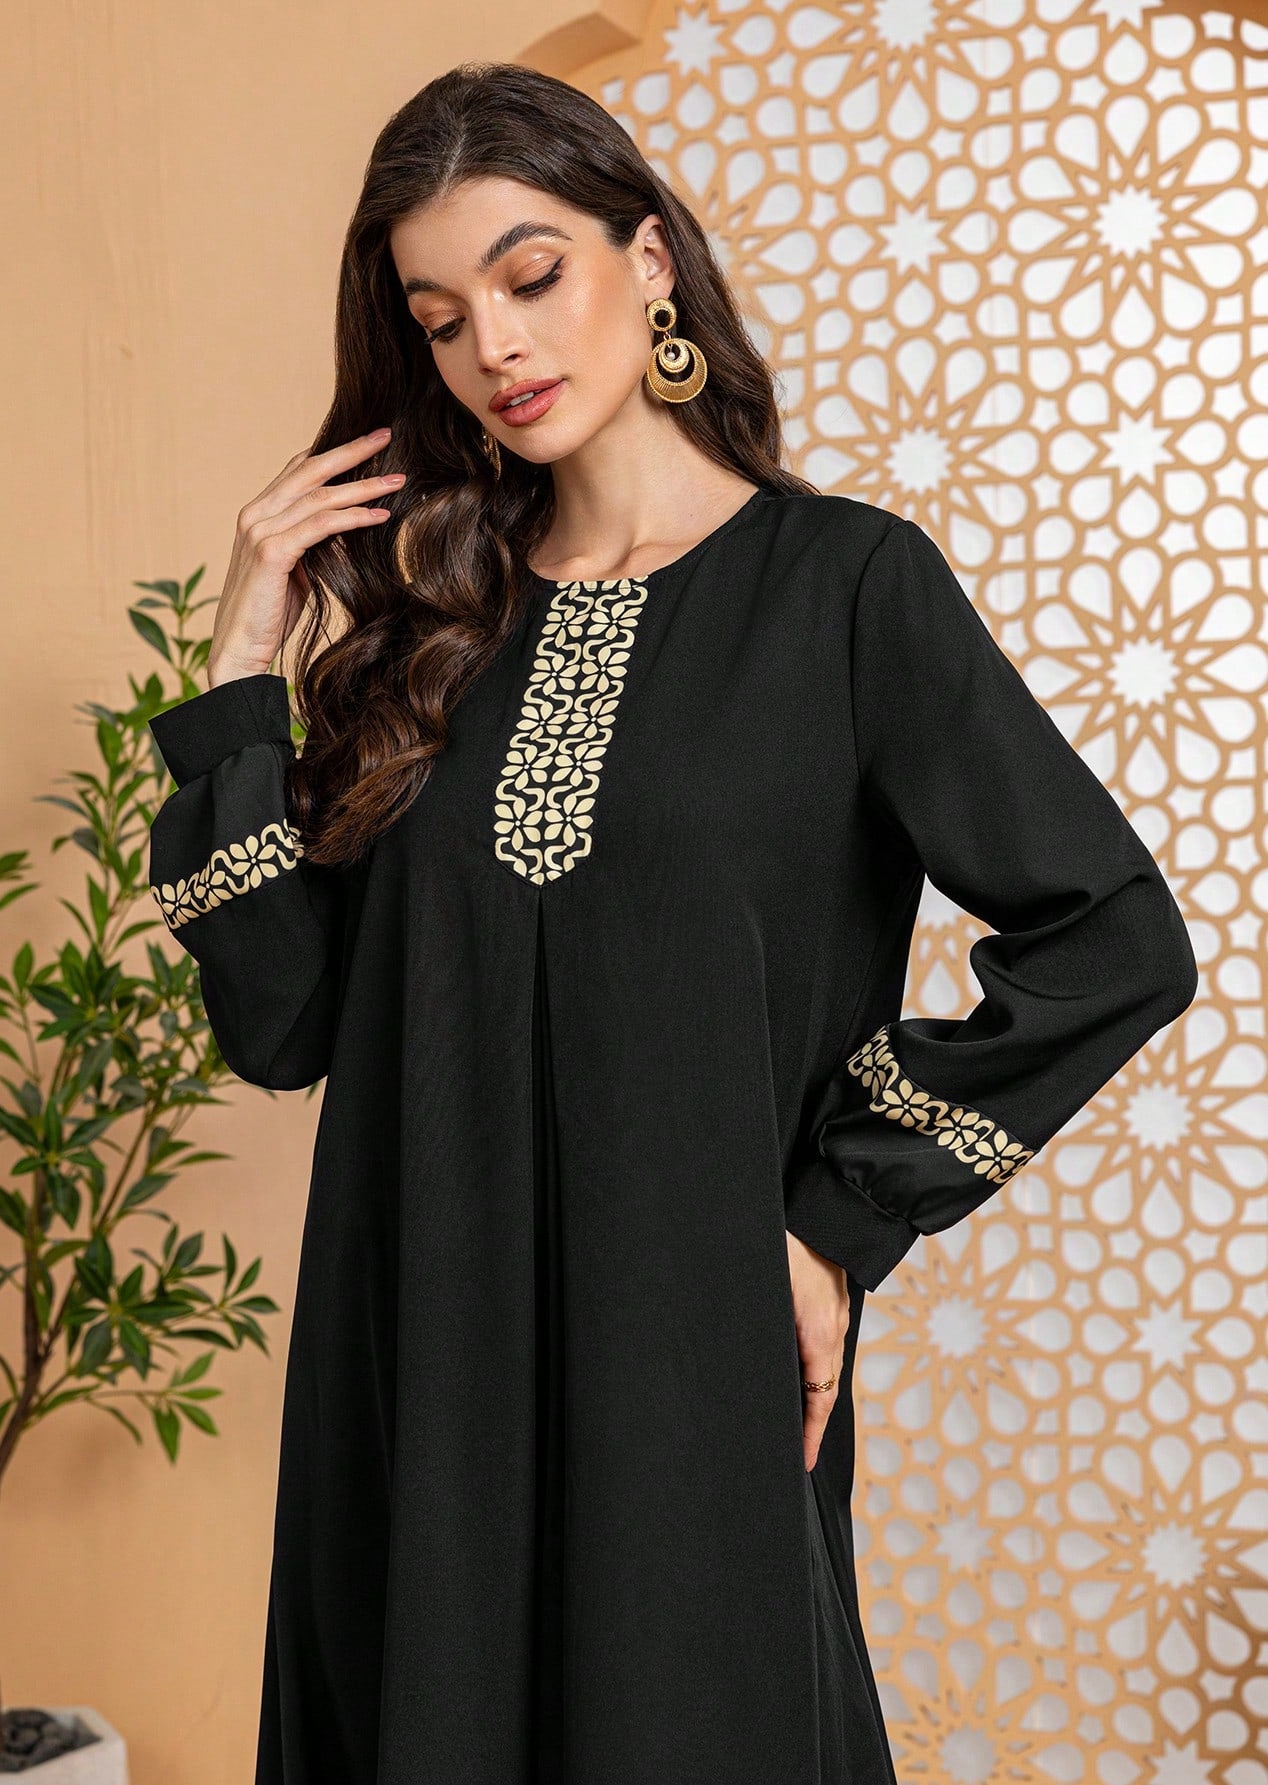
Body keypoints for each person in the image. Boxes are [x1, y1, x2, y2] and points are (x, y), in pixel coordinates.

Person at [145, 59, 1199, 1785]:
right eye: (440, 319)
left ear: (647, 259)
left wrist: (832, 1221)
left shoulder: (846, 588)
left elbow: (1116, 936)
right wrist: (241, 676)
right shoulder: (435, 625)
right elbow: (284, 1024)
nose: (493, 345)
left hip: (690, 1347)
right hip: (419, 1365)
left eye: (530, 273)